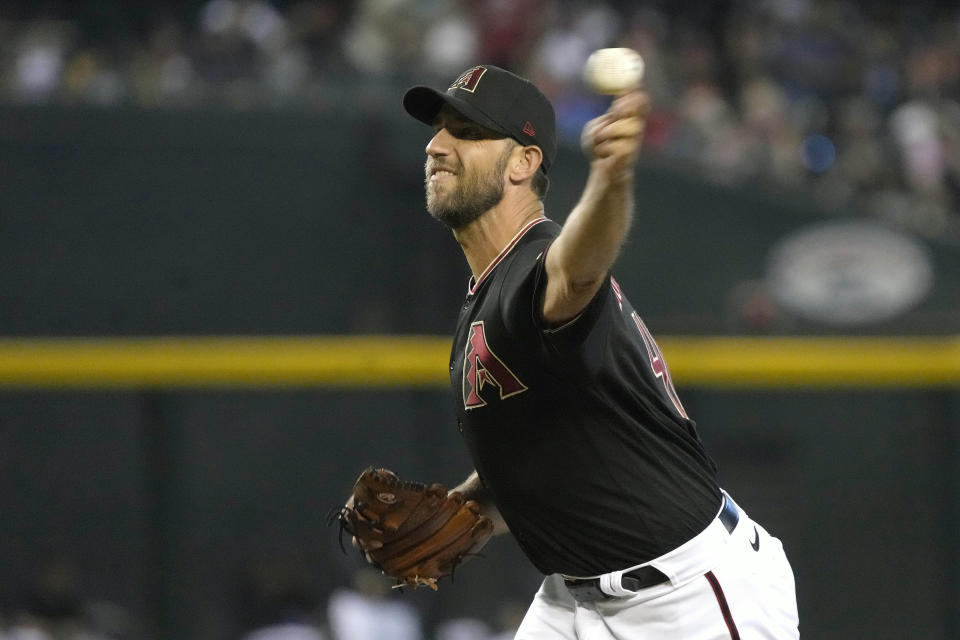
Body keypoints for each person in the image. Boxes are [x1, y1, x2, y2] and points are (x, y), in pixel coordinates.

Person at [399, 64, 800, 639]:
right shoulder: (487, 291)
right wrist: (463, 514)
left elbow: (578, 271)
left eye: (466, 131)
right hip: (572, 601)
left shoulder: (536, 267)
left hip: (688, 597)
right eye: (438, 129)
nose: (437, 145)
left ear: (523, 162)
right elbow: (536, 461)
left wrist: (611, 179)